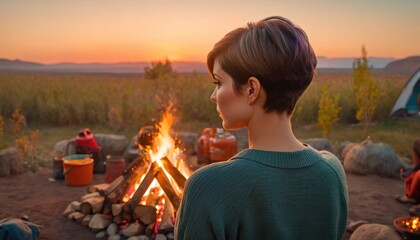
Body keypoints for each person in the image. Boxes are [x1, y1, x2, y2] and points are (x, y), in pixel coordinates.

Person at [175, 16, 348, 239]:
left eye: (218, 83)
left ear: (251, 90)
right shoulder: (332, 171)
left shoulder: (208, 186)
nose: (213, 96)